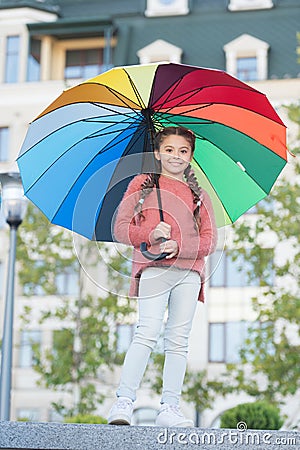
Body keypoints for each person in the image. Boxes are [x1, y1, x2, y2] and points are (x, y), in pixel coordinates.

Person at [108, 126, 217, 427]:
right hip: (153, 269)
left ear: (190, 157)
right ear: (157, 153)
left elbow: (209, 241)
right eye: (169, 150)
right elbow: (120, 229)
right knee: (146, 332)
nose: (176, 156)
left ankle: (169, 408)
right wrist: (151, 233)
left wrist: (179, 245)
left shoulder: (199, 196)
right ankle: (124, 402)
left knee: (178, 341)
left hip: (189, 274)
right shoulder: (142, 185)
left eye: (183, 151)